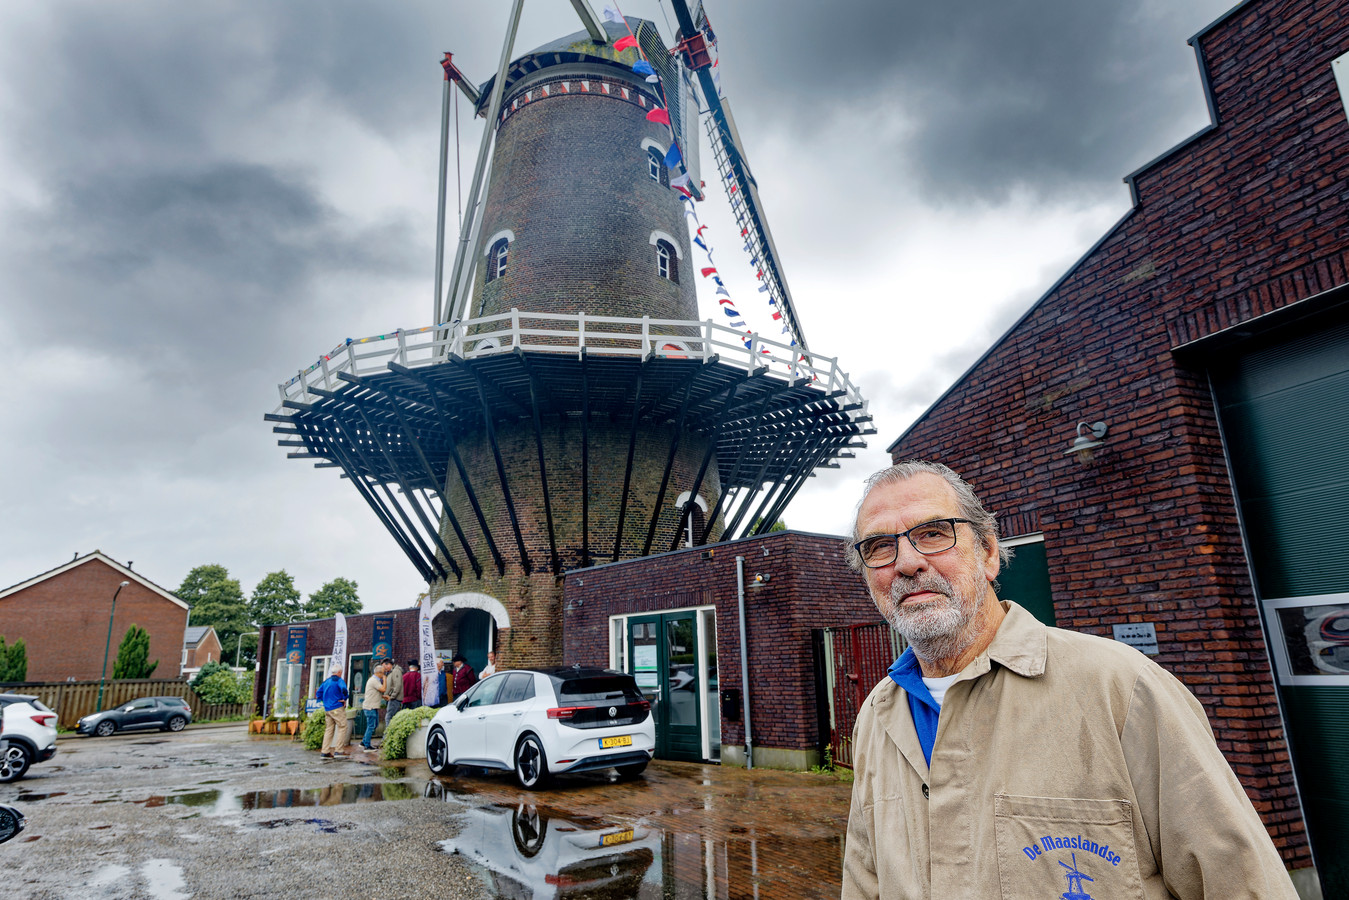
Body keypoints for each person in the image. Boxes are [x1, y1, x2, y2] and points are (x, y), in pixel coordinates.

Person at [841, 460, 1297, 899]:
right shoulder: (877, 719)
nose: (906, 562)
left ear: (989, 552)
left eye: (934, 534)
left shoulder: (1121, 688)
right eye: (879, 547)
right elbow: (864, 882)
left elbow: (1242, 885)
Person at [314, 665, 349, 758]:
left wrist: (324, 700)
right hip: (337, 707)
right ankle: (339, 750)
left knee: (329, 729)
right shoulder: (339, 680)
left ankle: (325, 751)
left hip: (327, 709)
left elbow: (318, 693)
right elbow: (344, 690)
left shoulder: (326, 681)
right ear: (339, 672)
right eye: (341, 672)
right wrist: (344, 698)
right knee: (342, 727)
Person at [360, 661, 386, 750]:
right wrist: (385, 679)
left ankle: (364, 741)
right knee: (371, 726)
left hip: (372, 706)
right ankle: (367, 746)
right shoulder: (374, 680)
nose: (383, 674)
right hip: (370, 707)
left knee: (374, 725)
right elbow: (383, 689)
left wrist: (383, 696)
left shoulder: (374, 680)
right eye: (383, 673)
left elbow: (375, 692)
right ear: (378, 673)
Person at [383, 657, 404, 725]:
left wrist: (391, 697)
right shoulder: (392, 671)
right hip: (393, 699)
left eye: (384, 666)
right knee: (391, 717)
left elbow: (397, 685)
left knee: (388, 717)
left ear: (388, 664)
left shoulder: (396, 671)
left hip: (394, 699)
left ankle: (387, 735)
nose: (384, 669)